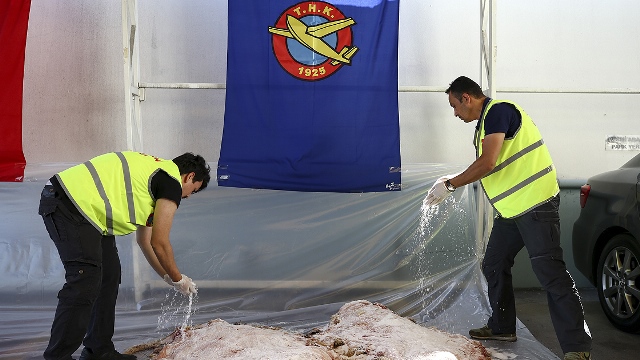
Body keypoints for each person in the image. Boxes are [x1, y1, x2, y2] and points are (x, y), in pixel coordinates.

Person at [426, 76, 592, 360]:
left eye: (454, 105)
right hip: (512, 211)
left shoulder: (499, 111)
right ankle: (503, 327)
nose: (454, 113)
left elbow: (489, 162)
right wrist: (450, 180)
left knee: (551, 275)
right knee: (494, 262)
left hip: (537, 205)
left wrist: (452, 184)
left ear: (467, 97)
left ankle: (577, 347)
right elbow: (496, 164)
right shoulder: (485, 124)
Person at [39, 151, 211, 360]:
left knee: (109, 276)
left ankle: (98, 350)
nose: (187, 196)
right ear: (190, 176)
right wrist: (178, 278)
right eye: (193, 190)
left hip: (90, 215)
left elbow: (145, 241)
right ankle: (58, 357)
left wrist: (167, 277)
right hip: (70, 204)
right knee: (85, 280)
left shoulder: (155, 175)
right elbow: (160, 242)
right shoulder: (170, 181)